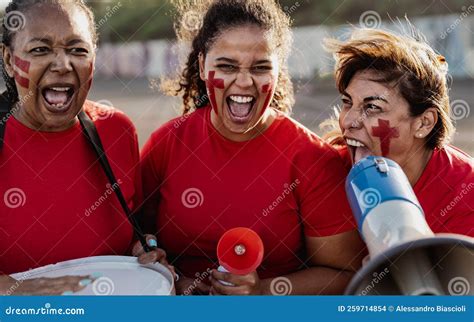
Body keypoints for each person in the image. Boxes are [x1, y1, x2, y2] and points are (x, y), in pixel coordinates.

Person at [140, 0, 366, 295]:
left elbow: (345, 276)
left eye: (260, 68)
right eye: (226, 66)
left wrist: (263, 291)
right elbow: (136, 239)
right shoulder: (167, 144)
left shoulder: (312, 159)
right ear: (201, 65)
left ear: (278, 71)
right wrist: (162, 271)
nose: (244, 82)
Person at [0, 0, 167, 295]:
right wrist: (12, 289)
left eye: (78, 50)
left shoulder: (118, 130)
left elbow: (130, 232)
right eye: (40, 49)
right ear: (9, 60)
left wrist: (143, 249)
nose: (63, 65)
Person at [322, 27, 473, 237]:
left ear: (424, 123)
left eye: (372, 107)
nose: (347, 121)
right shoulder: (327, 171)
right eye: (348, 102)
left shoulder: (467, 192)